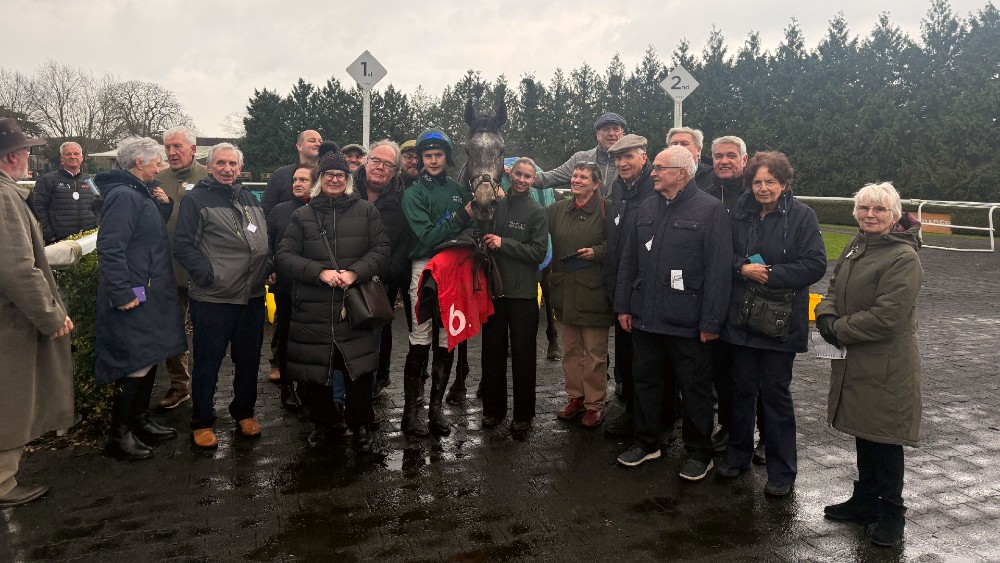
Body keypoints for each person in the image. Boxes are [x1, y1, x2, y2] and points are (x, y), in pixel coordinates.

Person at [815, 182, 923, 547]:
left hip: (887, 363)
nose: (870, 215)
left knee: (885, 438)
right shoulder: (855, 245)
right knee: (864, 429)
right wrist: (825, 315)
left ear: (894, 215)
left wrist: (837, 329)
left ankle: (892, 513)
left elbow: (887, 317)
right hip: (857, 358)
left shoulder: (903, 257)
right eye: (864, 208)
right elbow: (833, 288)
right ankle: (865, 500)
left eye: (879, 209)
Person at [614, 146, 731, 482]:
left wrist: (711, 321)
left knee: (695, 390)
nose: (652, 172)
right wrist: (624, 305)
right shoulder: (646, 207)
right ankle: (646, 442)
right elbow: (629, 260)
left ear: (681, 173)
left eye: (659, 168)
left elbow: (719, 270)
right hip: (646, 318)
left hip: (688, 323)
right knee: (646, 383)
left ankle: (699, 452)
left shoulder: (710, 210)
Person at [715, 151, 826, 496]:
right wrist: (741, 268)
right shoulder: (739, 214)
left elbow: (815, 264)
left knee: (776, 396)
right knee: (741, 391)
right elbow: (722, 255)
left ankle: (782, 472)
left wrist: (770, 274)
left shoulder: (802, 216)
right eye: (757, 181)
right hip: (742, 319)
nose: (763, 188)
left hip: (781, 322)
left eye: (771, 182)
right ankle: (737, 456)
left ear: (784, 183)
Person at [276, 145, 389, 452]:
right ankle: (325, 424)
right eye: (329, 174)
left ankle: (360, 424)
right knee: (315, 373)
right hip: (313, 308)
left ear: (348, 179)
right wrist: (319, 273)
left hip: (354, 306)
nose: (335, 180)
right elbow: (284, 256)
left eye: (340, 174)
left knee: (358, 372)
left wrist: (355, 272)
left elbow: (381, 250)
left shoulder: (367, 211)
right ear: (320, 178)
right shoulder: (302, 215)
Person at [93, 137, 187, 461]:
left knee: (150, 353)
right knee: (135, 360)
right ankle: (119, 435)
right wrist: (121, 291)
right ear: (139, 163)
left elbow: (144, 235)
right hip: (134, 292)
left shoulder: (139, 192)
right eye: (156, 162)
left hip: (148, 289)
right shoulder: (123, 195)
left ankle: (139, 420)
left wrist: (163, 207)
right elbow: (111, 246)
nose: (159, 167)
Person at [173, 143, 269, 449]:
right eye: (221, 163)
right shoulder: (196, 199)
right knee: (208, 361)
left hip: (252, 295)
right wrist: (209, 275)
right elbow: (183, 245)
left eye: (232, 164)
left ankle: (244, 412)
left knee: (249, 359)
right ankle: (202, 420)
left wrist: (267, 266)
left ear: (240, 168)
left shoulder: (248, 197)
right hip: (214, 298)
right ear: (210, 166)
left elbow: (261, 237)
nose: (227, 169)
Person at [0, 118, 74, 508]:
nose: (29, 158)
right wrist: (51, 315)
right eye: (26, 151)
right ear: (12, 155)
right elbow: (17, 268)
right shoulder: (4, 197)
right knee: (11, 396)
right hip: (10, 322)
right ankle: (2, 482)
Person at [400, 128, 474, 437]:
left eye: (438, 155)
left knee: (447, 337)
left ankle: (436, 409)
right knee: (421, 337)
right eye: (427, 155)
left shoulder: (459, 188)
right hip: (425, 268)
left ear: (447, 157)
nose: (433, 160)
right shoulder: (414, 193)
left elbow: (477, 220)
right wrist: (460, 218)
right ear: (420, 159)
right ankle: (410, 413)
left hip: (455, 268)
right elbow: (429, 237)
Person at [480, 157, 549, 434]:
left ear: (533, 180)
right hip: (496, 291)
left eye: (527, 176)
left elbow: (538, 252)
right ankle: (493, 409)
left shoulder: (537, 212)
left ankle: (523, 413)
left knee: (523, 354)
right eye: (518, 174)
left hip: (523, 294)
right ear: (510, 175)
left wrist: (504, 243)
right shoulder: (496, 206)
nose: (521, 179)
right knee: (492, 352)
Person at [547, 162, 612, 428]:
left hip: (593, 292)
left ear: (596, 184)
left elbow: (618, 244)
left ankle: (595, 404)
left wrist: (597, 252)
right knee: (571, 351)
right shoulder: (557, 209)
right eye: (574, 175)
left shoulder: (607, 209)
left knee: (595, 352)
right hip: (565, 291)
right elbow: (532, 222)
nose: (576, 180)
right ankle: (576, 397)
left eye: (584, 177)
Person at [600, 134, 656, 437]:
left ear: (644, 157)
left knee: (645, 360)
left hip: (645, 288)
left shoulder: (654, 188)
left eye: (628, 157)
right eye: (618, 158)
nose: (622, 163)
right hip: (620, 285)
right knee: (625, 354)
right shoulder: (619, 188)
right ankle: (632, 411)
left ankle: (647, 419)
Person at [354, 139, 414, 396]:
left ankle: (369, 389)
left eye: (387, 164)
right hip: (344, 277)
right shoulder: (346, 190)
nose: (380, 167)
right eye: (376, 160)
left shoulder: (402, 201)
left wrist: (388, 271)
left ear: (395, 171)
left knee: (376, 336)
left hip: (380, 281)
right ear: (366, 162)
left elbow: (404, 242)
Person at [156, 125, 208, 410]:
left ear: (193, 149)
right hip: (168, 271)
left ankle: (206, 383)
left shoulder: (208, 177)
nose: (172, 152)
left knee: (207, 331)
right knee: (172, 330)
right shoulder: (157, 178)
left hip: (201, 271)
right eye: (168, 147)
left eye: (178, 146)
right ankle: (179, 385)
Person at [265, 163, 316, 410]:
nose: (297, 183)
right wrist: (269, 267)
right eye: (295, 179)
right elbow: (266, 241)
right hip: (286, 286)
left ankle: (307, 386)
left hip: (313, 287)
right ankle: (287, 387)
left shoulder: (321, 209)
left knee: (309, 340)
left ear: (315, 183)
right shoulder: (279, 210)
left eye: (303, 180)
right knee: (285, 335)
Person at [534, 112, 625, 197]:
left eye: (616, 129)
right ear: (597, 135)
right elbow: (549, 178)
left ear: (622, 134)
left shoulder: (630, 162)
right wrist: (527, 176)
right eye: (606, 129)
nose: (611, 133)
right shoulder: (580, 158)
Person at [30, 141, 97, 243]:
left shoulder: (90, 180)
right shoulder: (47, 180)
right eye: (68, 154)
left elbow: (99, 205)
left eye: (76, 154)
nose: (73, 157)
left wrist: (97, 227)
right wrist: (50, 236)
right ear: (61, 158)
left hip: (87, 240)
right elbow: (38, 209)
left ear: (82, 157)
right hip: (59, 242)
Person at [261, 129, 323, 216]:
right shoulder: (280, 175)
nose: (318, 144)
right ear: (299, 146)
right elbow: (266, 209)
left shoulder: (328, 175)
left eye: (320, 141)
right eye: (312, 141)